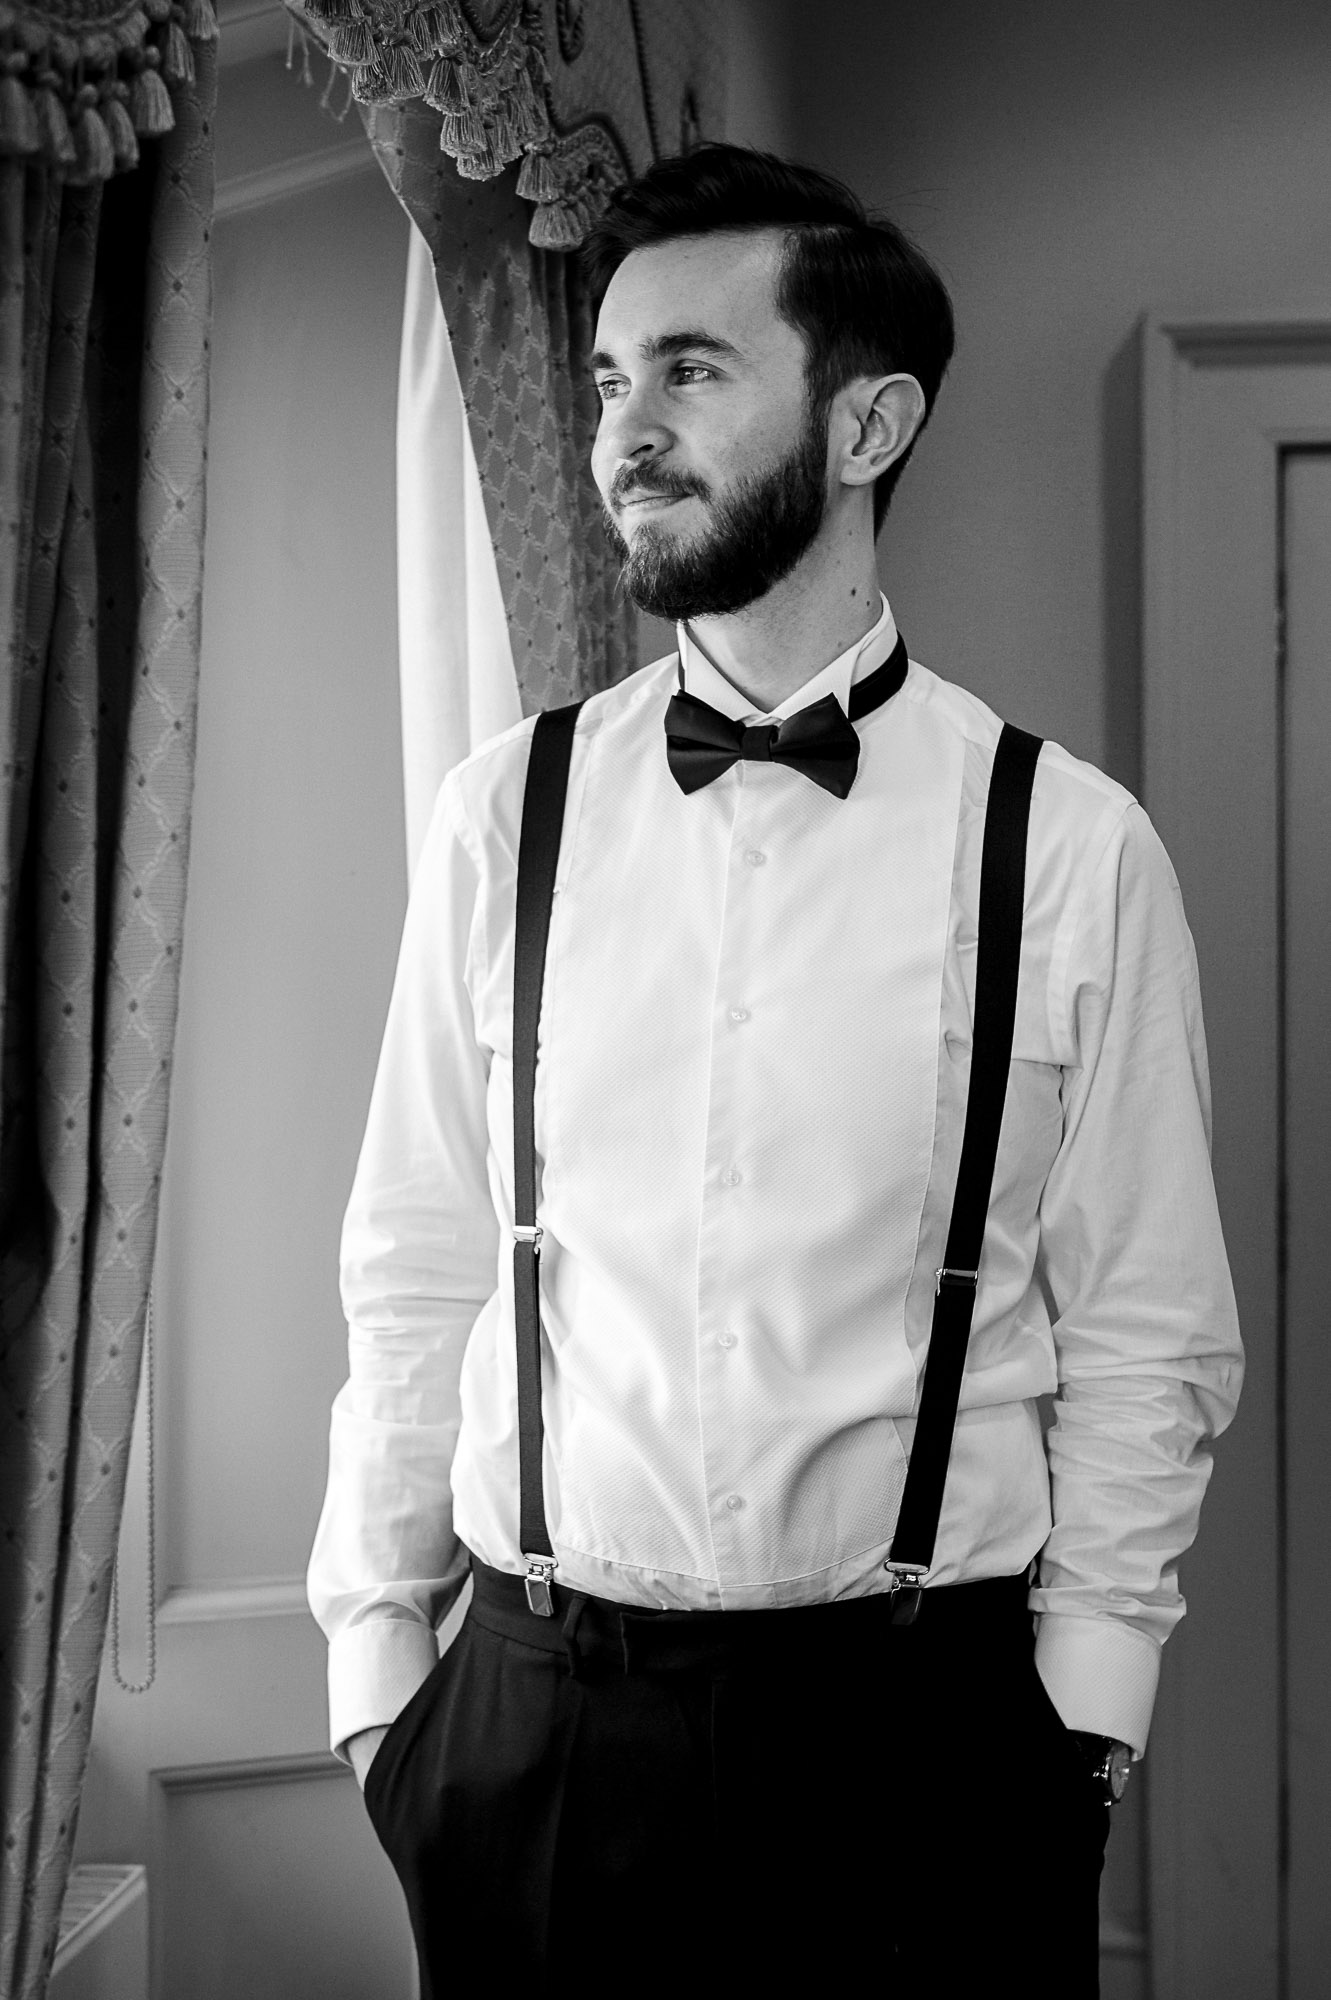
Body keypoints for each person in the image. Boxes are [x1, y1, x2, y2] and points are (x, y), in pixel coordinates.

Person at [308, 143, 1242, 1997]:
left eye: (691, 373)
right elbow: (416, 1263)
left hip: (931, 1755)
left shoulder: (1067, 848)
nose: (623, 432)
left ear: (871, 419)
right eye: (606, 379)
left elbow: (1151, 1329)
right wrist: (377, 1692)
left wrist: (1082, 1732)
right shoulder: (507, 814)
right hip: (530, 1736)